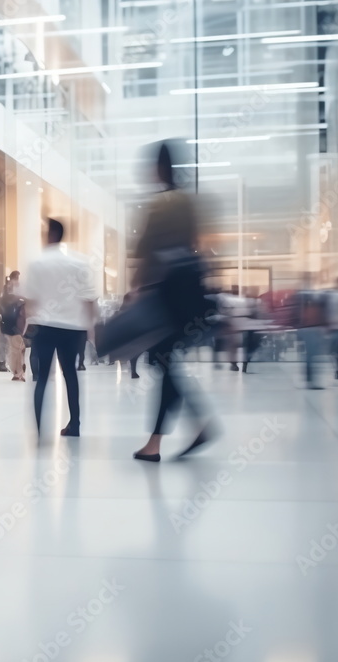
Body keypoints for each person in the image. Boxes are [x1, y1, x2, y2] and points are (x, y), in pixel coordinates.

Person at [131, 142, 215, 463]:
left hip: (164, 295)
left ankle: (160, 441)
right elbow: (195, 244)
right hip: (187, 294)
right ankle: (194, 426)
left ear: (158, 168)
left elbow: (144, 249)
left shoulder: (159, 205)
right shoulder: (188, 203)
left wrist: (136, 290)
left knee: (164, 363)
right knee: (166, 364)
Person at [23, 219, 97, 437]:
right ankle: (75, 425)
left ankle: (39, 431)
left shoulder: (37, 263)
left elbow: (31, 301)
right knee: (70, 375)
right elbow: (89, 299)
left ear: (49, 235)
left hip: (45, 327)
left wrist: (28, 322)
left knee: (42, 378)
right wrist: (91, 328)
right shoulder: (79, 263)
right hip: (73, 328)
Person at [0, 271, 27, 381]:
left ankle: (16, 371)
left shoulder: (5, 294)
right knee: (17, 348)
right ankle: (18, 372)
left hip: (9, 323)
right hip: (14, 323)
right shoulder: (12, 295)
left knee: (15, 348)